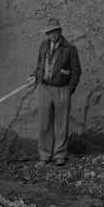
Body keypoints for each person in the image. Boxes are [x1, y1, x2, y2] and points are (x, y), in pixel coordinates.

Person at [33, 18, 81, 166]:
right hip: (45, 88)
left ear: (60, 31)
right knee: (44, 123)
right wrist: (35, 75)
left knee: (61, 124)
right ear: (47, 34)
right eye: (49, 32)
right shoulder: (43, 46)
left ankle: (60, 154)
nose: (52, 35)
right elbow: (39, 63)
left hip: (62, 89)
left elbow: (76, 70)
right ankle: (44, 155)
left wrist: (69, 89)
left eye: (55, 31)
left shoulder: (70, 48)